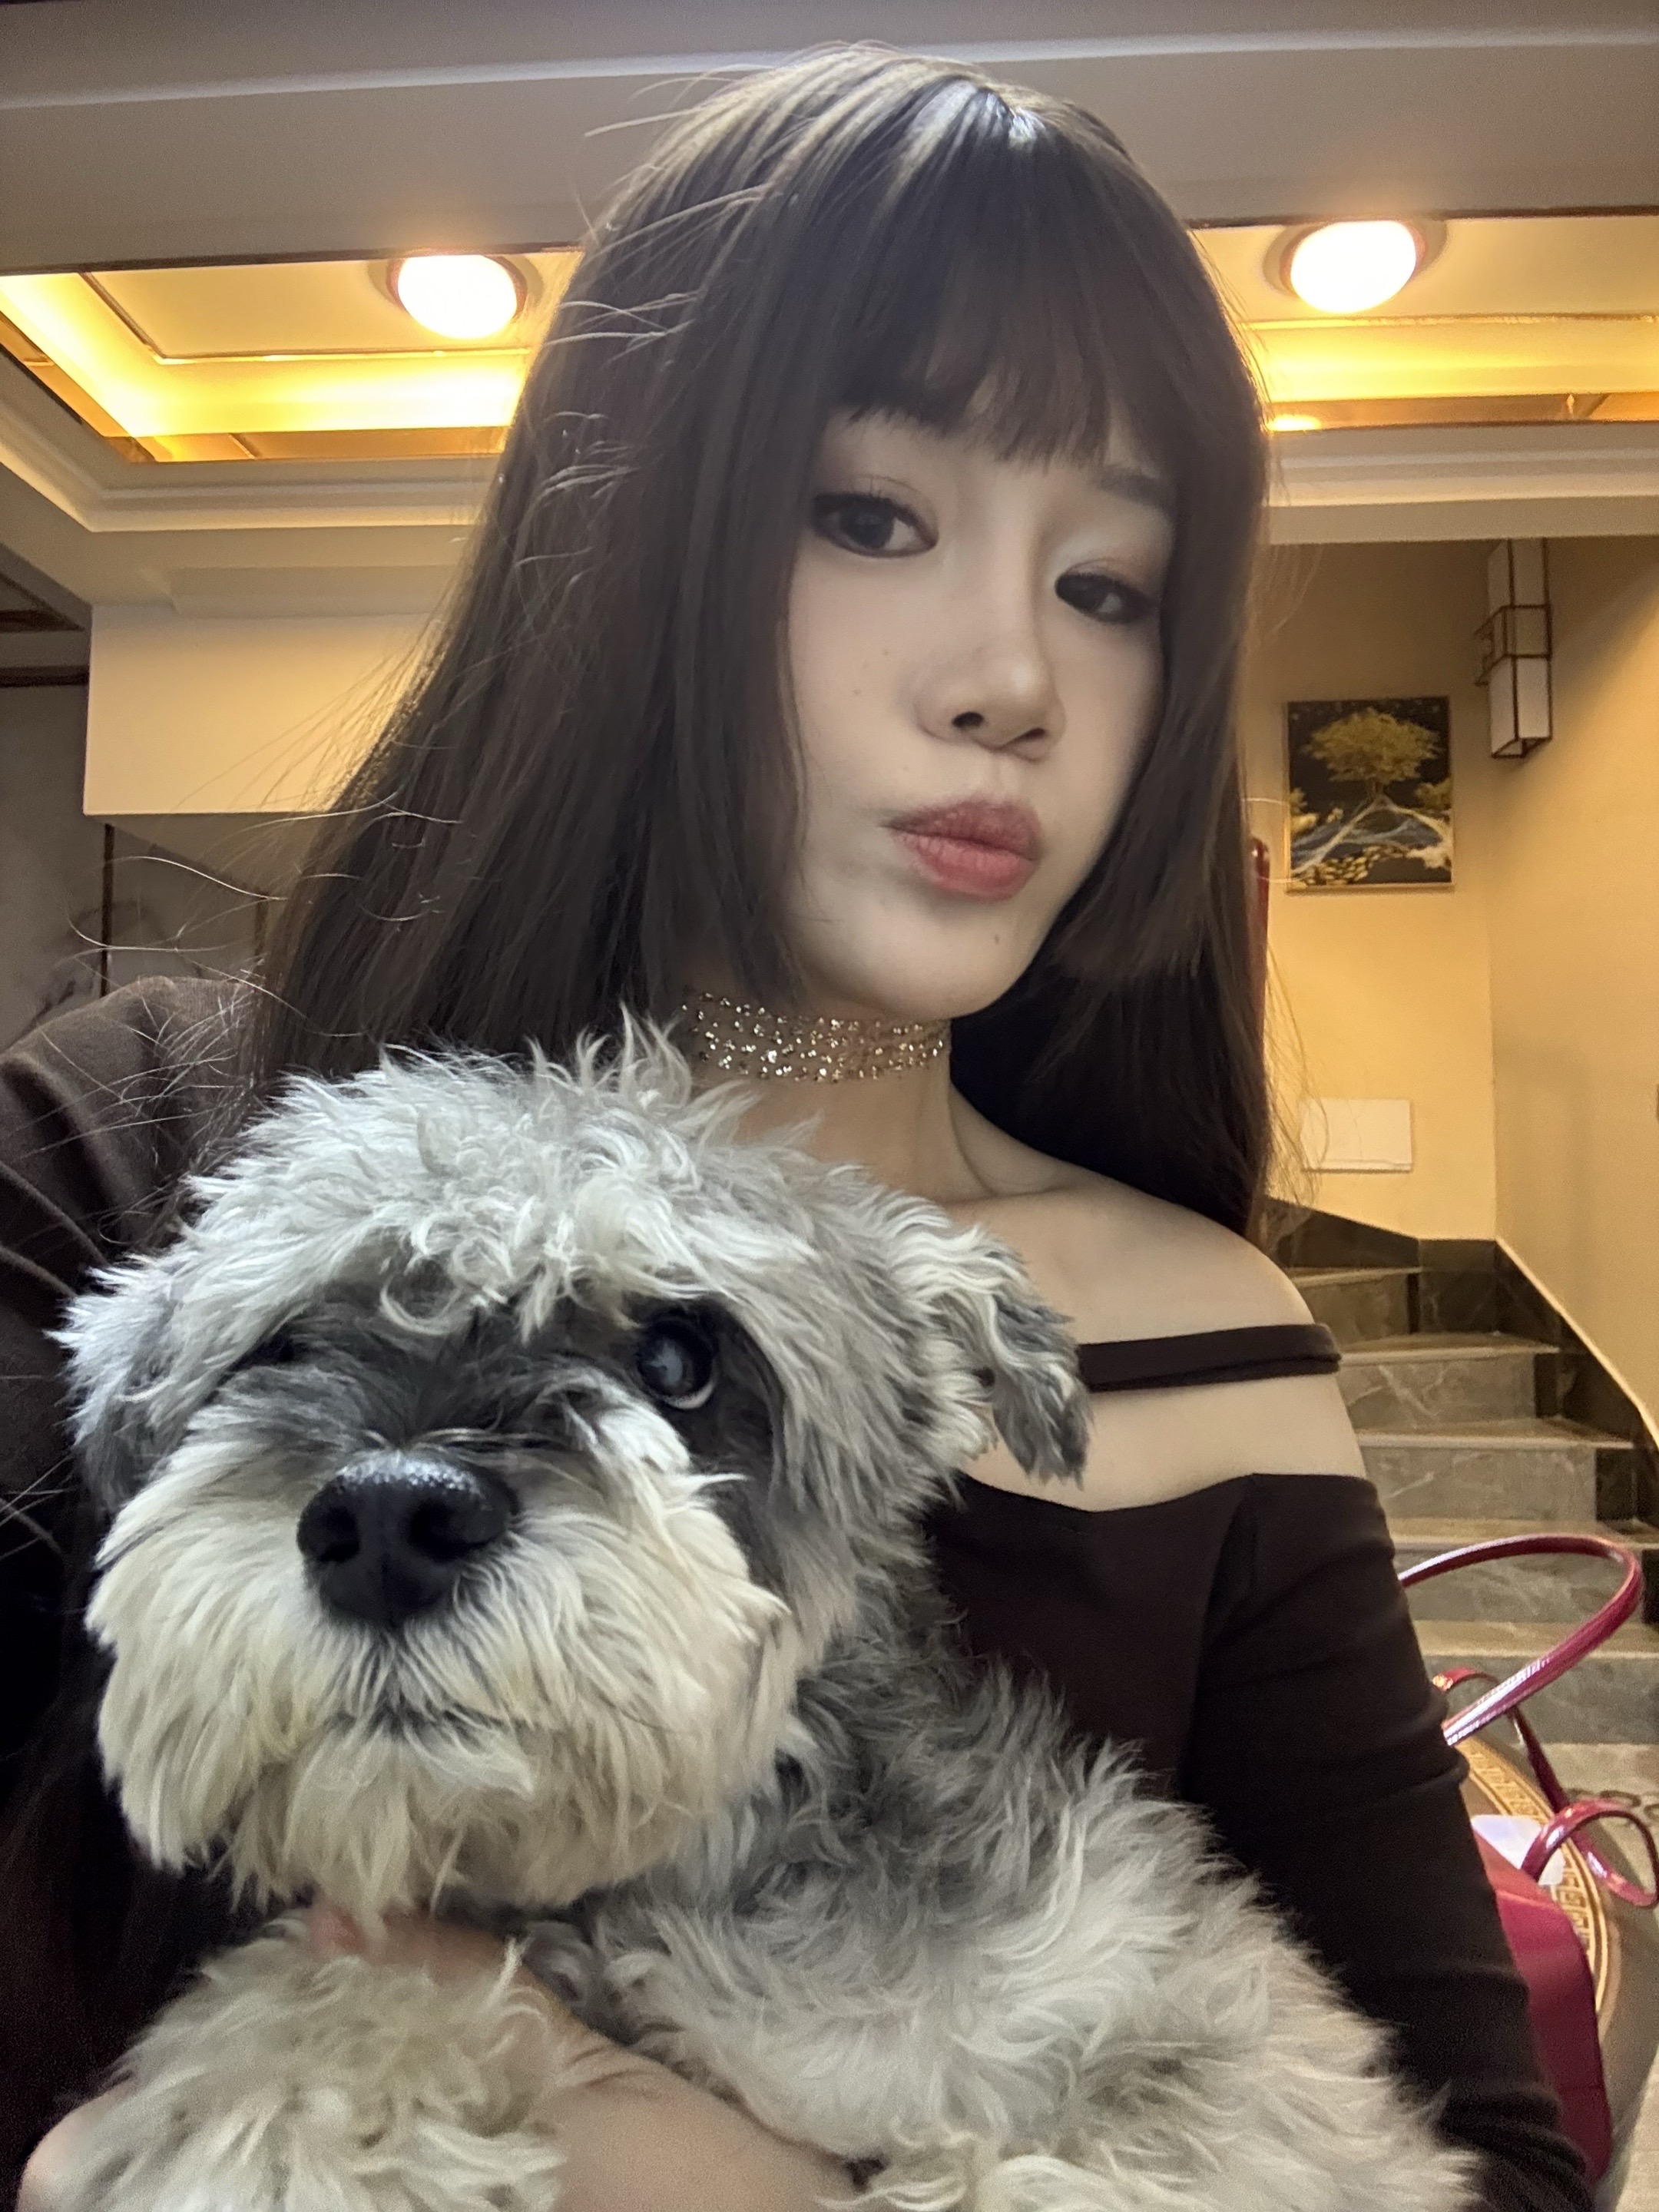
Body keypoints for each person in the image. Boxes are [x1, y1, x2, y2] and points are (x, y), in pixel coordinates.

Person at [1, 45, 1588, 2212]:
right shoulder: (133, 1155)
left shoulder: (1211, 1334)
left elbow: (1487, 2171)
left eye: (1109, 587)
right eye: (871, 516)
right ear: (630, 540)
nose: (1011, 679)